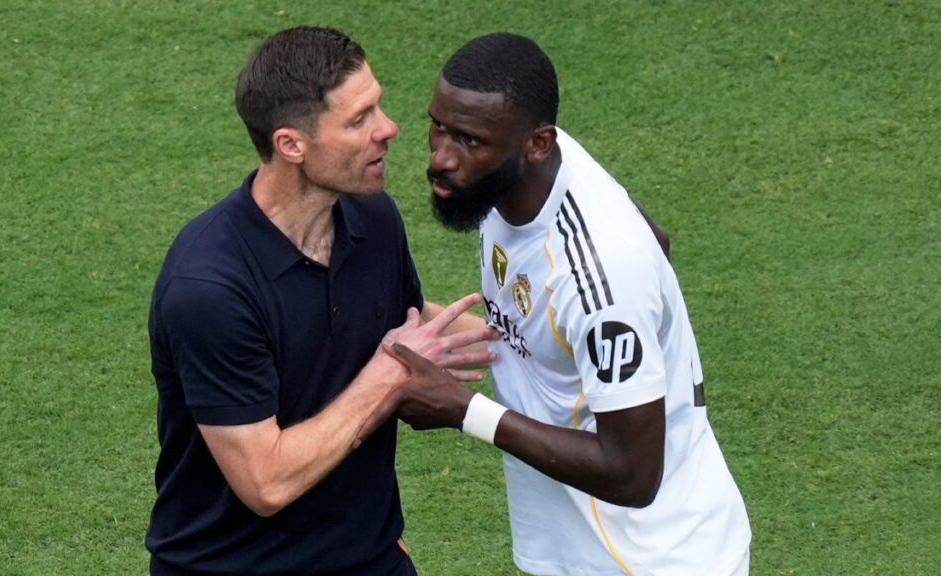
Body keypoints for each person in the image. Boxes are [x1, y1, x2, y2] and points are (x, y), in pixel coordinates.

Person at [358, 33, 752, 576]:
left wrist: (462, 409)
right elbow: (655, 241)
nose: (440, 158)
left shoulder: (601, 269)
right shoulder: (534, 169)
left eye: (470, 142)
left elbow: (633, 475)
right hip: (580, 551)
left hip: (649, 558)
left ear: (538, 144)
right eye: (439, 126)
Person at [145, 26, 495, 576]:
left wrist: (544, 342)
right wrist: (387, 374)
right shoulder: (209, 290)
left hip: (370, 561)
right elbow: (266, 481)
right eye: (359, 120)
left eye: (377, 106)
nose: (390, 129)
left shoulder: (373, 218)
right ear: (291, 144)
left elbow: (406, 320)